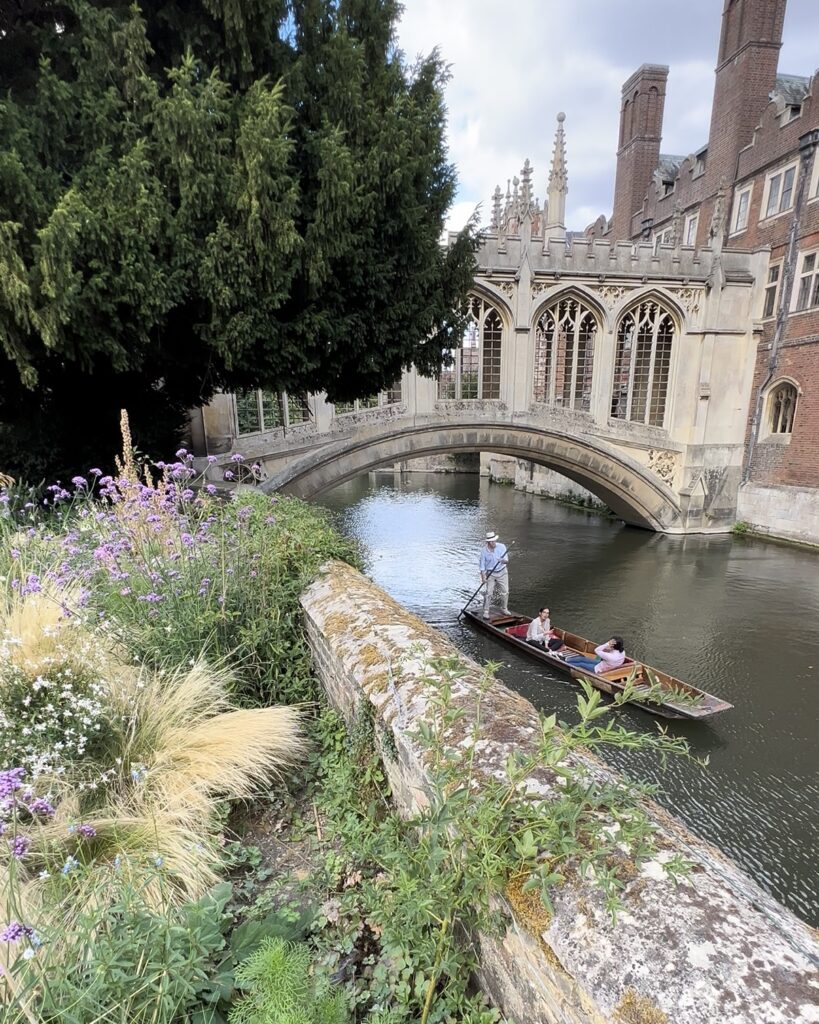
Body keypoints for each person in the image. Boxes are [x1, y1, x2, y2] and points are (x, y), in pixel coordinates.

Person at [479, 530, 510, 618]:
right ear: (488, 542)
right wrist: (483, 577)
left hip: (502, 571)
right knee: (489, 592)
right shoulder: (483, 551)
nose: (494, 543)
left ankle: (504, 608)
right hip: (491, 573)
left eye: (494, 540)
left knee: (505, 592)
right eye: (491, 541)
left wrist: (502, 560)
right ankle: (486, 610)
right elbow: (482, 567)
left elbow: (506, 561)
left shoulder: (502, 547)